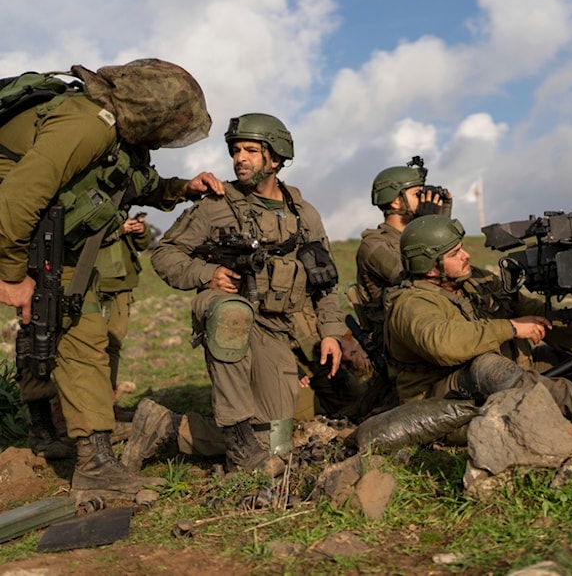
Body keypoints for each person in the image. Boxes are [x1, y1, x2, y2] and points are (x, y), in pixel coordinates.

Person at [0, 58, 223, 495]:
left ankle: (95, 458)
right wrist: (11, 276)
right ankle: (81, 451)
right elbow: (16, 200)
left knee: (80, 330)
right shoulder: (86, 125)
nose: (169, 134)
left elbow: (135, 183)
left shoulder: (120, 137)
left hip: (47, 235)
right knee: (71, 328)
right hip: (14, 227)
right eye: (168, 124)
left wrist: (183, 189)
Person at [149, 113, 349, 471]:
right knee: (232, 313)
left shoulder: (304, 216)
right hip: (227, 308)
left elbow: (326, 281)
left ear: (276, 158)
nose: (240, 158)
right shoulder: (217, 206)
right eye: (236, 150)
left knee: (276, 439)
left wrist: (331, 333)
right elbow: (165, 253)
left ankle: (164, 429)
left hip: (275, 326)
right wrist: (207, 273)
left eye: (252, 151)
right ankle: (239, 441)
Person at [383, 215, 572, 422]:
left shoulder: (472, 281)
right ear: (430, 269)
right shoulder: (412, 304)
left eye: (462, 248)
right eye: (455, 254)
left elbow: (533, 311)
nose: (467, 256)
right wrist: (512, 328)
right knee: (488, 366)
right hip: (440, 395)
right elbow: (443, 345)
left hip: (506, 369)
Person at [353, 156, 452, 337]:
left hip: (433, 322)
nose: (424, 199)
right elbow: (418, 278)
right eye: (417, 194)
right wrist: (425, 222)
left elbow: (450, 264)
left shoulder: (412, 236)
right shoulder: (373, 245)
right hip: (398, 336)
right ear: (396, 201)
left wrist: (440, 219)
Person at [97, 211, 153, 413]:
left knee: (114, 344)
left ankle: (108, 402)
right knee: (90, 347)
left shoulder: (120, 208)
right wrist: (119, 230)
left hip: (121, 285)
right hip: (93, 284)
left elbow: (142, 245)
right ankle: (90, 405)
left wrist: (140, 230)